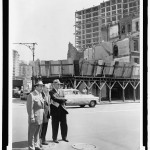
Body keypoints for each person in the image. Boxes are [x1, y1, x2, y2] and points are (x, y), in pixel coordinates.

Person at [49, 79, 69, 143]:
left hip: (62, 110)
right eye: (57, 84)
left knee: (64, 124)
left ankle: (64, 137)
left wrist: (61, 99)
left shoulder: (61, 91)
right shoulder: (51, 92)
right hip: (55, 111)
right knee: (55, 125)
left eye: (59, 84)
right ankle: (54, 138)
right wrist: (63, 99)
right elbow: (54, 98)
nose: (59, 85)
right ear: (54, 84)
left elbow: (60, 98)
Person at [26, 81, 44, 150]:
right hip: (34, 117)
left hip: (40, 117)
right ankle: (31, 147)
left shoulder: (40, 94)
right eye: (40, 86)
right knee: (31, 133)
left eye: (42, 86)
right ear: (36, 87)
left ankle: (36, 145)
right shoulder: (31, 95)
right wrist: (31, 117)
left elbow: (41, 107)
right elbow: (30, 108)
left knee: (37, 133)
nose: (41, 87)